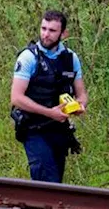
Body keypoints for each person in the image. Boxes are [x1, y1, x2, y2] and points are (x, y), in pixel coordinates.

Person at [10, 10, 88, 183]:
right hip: (33, 129)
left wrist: (79, 106)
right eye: (43, 28)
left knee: (56, 183)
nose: (46, 34)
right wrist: (49, 112)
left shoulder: (70, 58)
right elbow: (16, 98)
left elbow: (81, 93)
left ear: (63, 33)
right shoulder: (29, 57)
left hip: (59, 129)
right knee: (47, 182)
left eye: (52, 31)